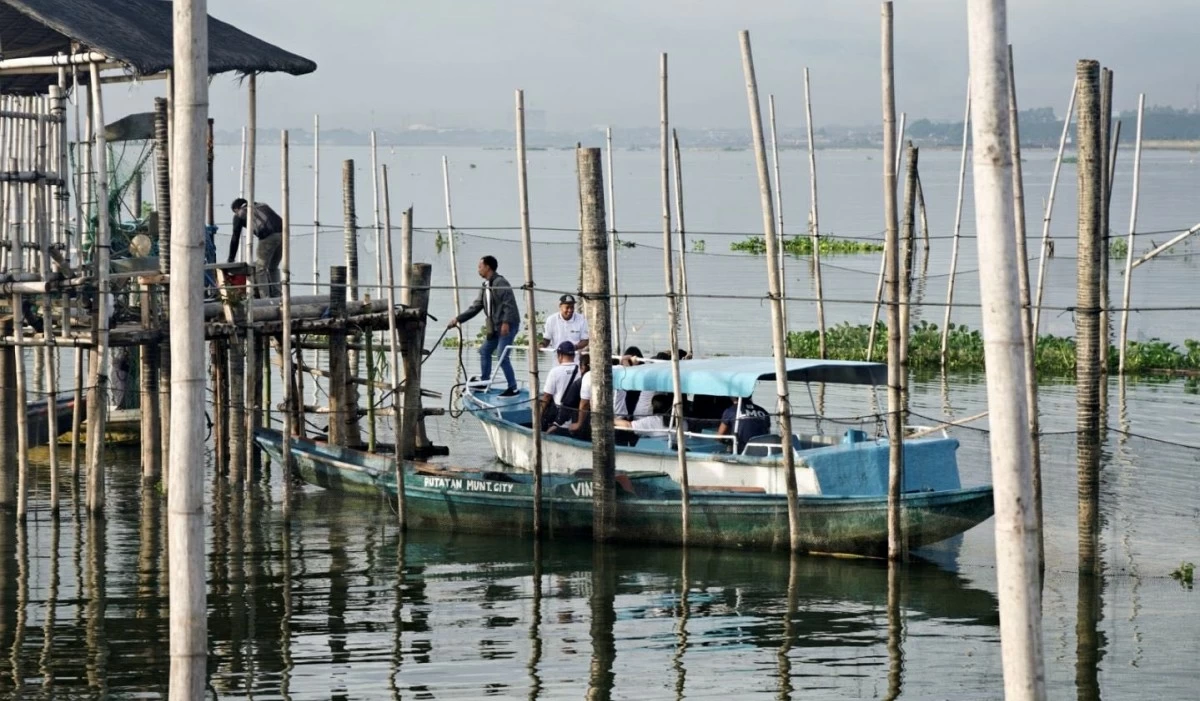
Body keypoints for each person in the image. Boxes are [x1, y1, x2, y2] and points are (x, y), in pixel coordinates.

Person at [447, 255, 521, 396]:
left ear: (488, 267)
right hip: (494, 327)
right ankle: (485, 381)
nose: (478, 269)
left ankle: (513, 388)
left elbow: (509, 303)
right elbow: (476, 307)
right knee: (484, 351)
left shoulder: (500, 282)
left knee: (502, 356)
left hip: (507, 325)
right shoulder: (485, 286)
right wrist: (458, 319)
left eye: (480, 266)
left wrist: (506, 322)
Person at [229, 198, 284, 298]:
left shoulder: (240, 214)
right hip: (283, 235)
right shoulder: (263, 205)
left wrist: (231, 258)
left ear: (236, 209)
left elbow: (235, 237)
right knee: (273, 267)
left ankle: (265, 298)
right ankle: (278, 296)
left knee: (260, 269)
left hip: (268, 237)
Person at [540, 341, 580, 432]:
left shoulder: (555, 372)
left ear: (560, 355)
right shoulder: (581, 371)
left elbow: (547, 396)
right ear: (574, 356)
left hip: (558, 421)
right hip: (576, 420)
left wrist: (539, 415)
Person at [563, 352, 592, 440]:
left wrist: (556, 423)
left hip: (583, 424)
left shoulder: (580, 383)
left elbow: (583, 403)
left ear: (582, 368)